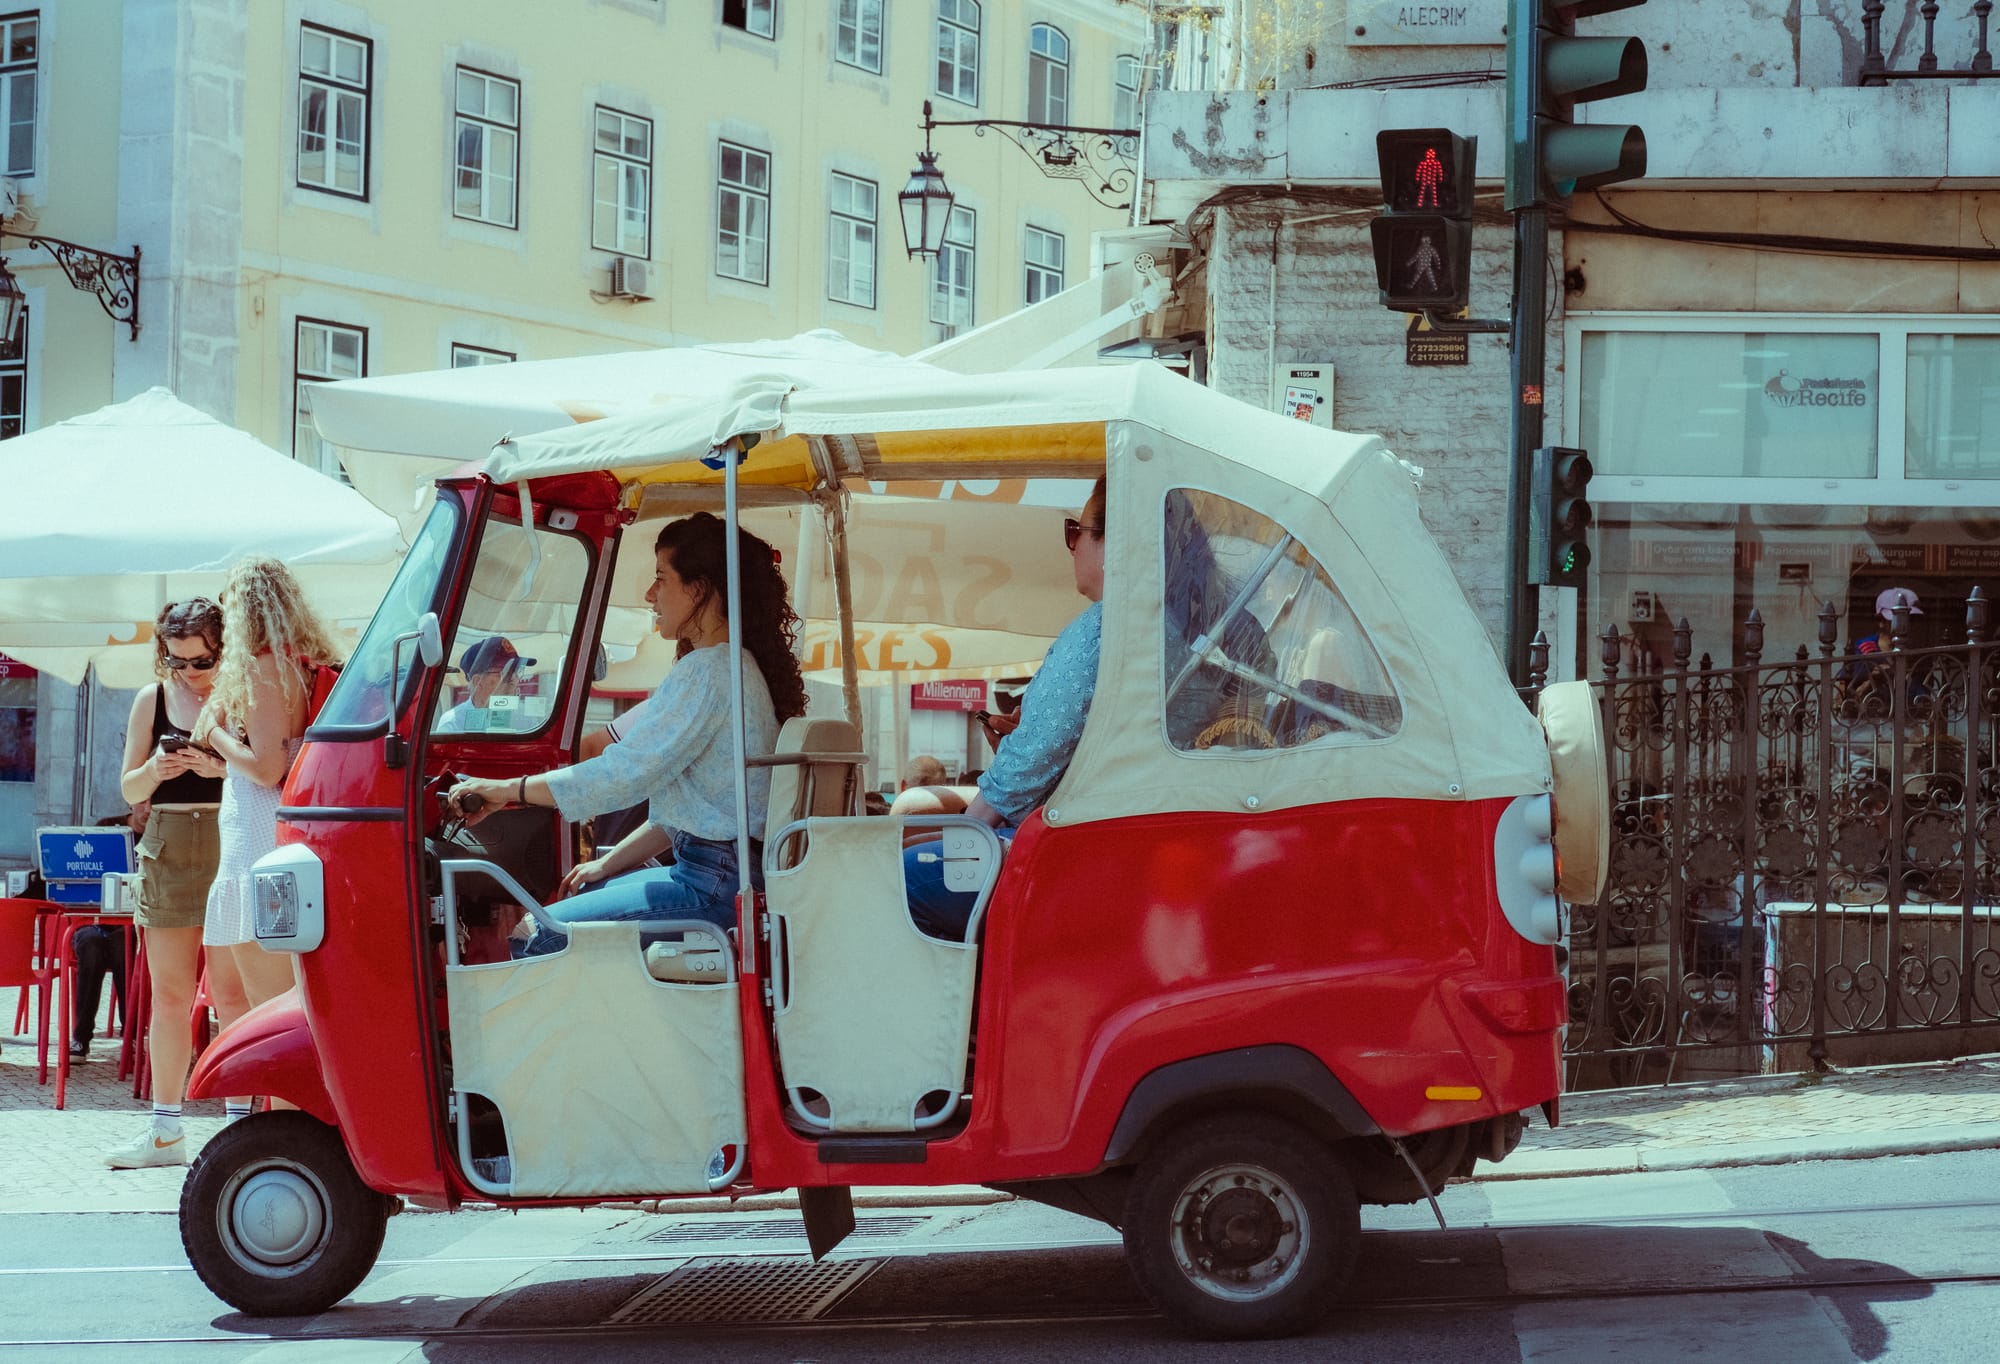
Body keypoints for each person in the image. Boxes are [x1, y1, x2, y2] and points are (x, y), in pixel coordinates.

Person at [447, 513, 808, 942]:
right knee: (581, 895)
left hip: (711, 884)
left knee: (534, 934)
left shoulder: (708, 671)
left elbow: (620, 773)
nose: (650, 594)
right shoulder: (737, 667)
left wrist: (508, 789)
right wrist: (607, 863)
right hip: (723, 875)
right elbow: (690, 817)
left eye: (661, 578)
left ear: (700, 588)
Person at [902, 477, 1106, 941]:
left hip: (1060, 855)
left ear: (1113, 538)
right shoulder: (1177, 627)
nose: (1071, 547)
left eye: (1076, 532)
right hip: (1100, 845)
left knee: (887, 878)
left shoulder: (1097, 633)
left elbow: (1031, 761)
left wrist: (968, 831)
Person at [194, 557, 343, 1105]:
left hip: (257, 843)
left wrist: (215, 733)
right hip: (262, 842)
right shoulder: (299, 665)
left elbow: (264, 767)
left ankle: (279, 1130)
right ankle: (253, 1123)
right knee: (236, 999)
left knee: (263, 1014)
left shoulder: (263, 668)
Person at [104, 598, 228, 1170]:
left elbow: (273, 772)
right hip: (170, 843)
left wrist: (221, 769)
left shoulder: (241, 694)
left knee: (235, 997)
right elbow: (129, 790)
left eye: (199, 662)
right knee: (172, 997)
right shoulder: (151, 700)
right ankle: (165, 1132)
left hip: (232, 840)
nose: (188, 674)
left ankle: (240, 1129)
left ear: (222, 649)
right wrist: (156, 769)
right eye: (176, 661)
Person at [68, 811, 144, 1059]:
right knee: (90, 944)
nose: (147, 809)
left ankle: (130, 1035)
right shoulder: (107, 826)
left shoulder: (161, 829)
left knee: (124, 945)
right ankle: (80, 1038)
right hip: (90, 919)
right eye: (143, 802)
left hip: (130, 922)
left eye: (153, 802)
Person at [433, 636, 534, 733]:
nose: (514, 679)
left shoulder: (526, 719)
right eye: (506, 672)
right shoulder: (453, 724)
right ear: (477, 681)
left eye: (517, 670)